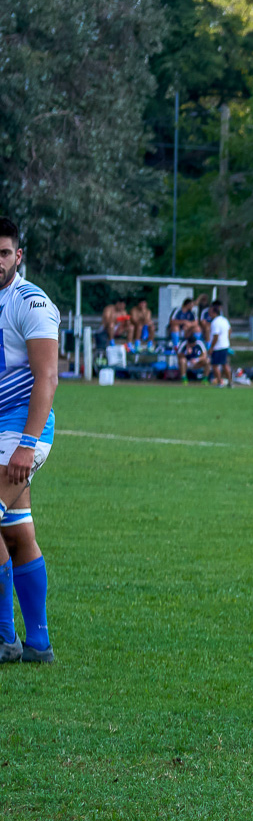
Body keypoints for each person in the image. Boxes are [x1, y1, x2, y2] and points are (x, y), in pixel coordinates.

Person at [0, 219, 61, 665]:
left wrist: (27, 443)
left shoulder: (31, 302)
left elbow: (48, 377)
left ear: (17, 256)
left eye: (4, 253)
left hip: (20, 431)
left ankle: (5, 639)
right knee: (17, 532)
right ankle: (37, 646)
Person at [206, 303, 233, 385]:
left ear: (214, 313)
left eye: (210, 312)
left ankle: (220, 382)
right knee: (225, 364)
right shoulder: (224, 320)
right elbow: (230, 330)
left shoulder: (215, 322)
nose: (209, 314)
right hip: (225, 345)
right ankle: (230, 382)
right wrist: (226, 339)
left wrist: (211, 347)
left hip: (218, 347)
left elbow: (215, 336)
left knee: (215, 365)